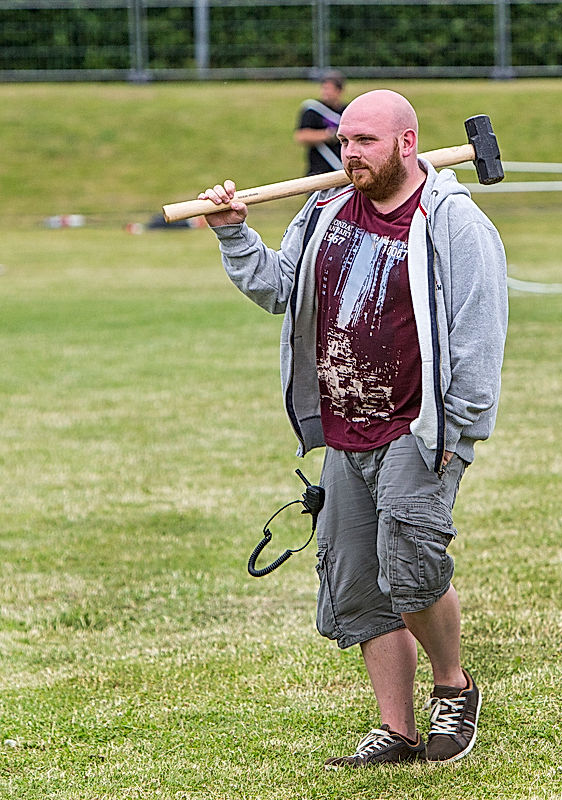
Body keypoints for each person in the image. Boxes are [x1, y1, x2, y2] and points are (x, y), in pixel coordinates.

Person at [198, 89, 508, 768]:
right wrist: (233, 233)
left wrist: (457, 431)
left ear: (407, 142)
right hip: (344, 430)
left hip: (418, 429)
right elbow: (281, 289)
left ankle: (454, 687)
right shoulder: (325, 211)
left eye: (366, 140)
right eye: (344, 141)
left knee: (411, 564)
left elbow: (479, 333)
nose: (350, 153)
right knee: (357, 584)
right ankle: (397, 731)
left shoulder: (453, 223)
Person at [295, 70, 347, 175]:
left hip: (341, 169)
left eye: (329, 89)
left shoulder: (347, 111)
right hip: (318, 170)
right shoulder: (313, 110)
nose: (325, 92)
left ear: (339, 91)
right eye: (324, 88)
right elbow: (301, 136)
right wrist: (330, 135)